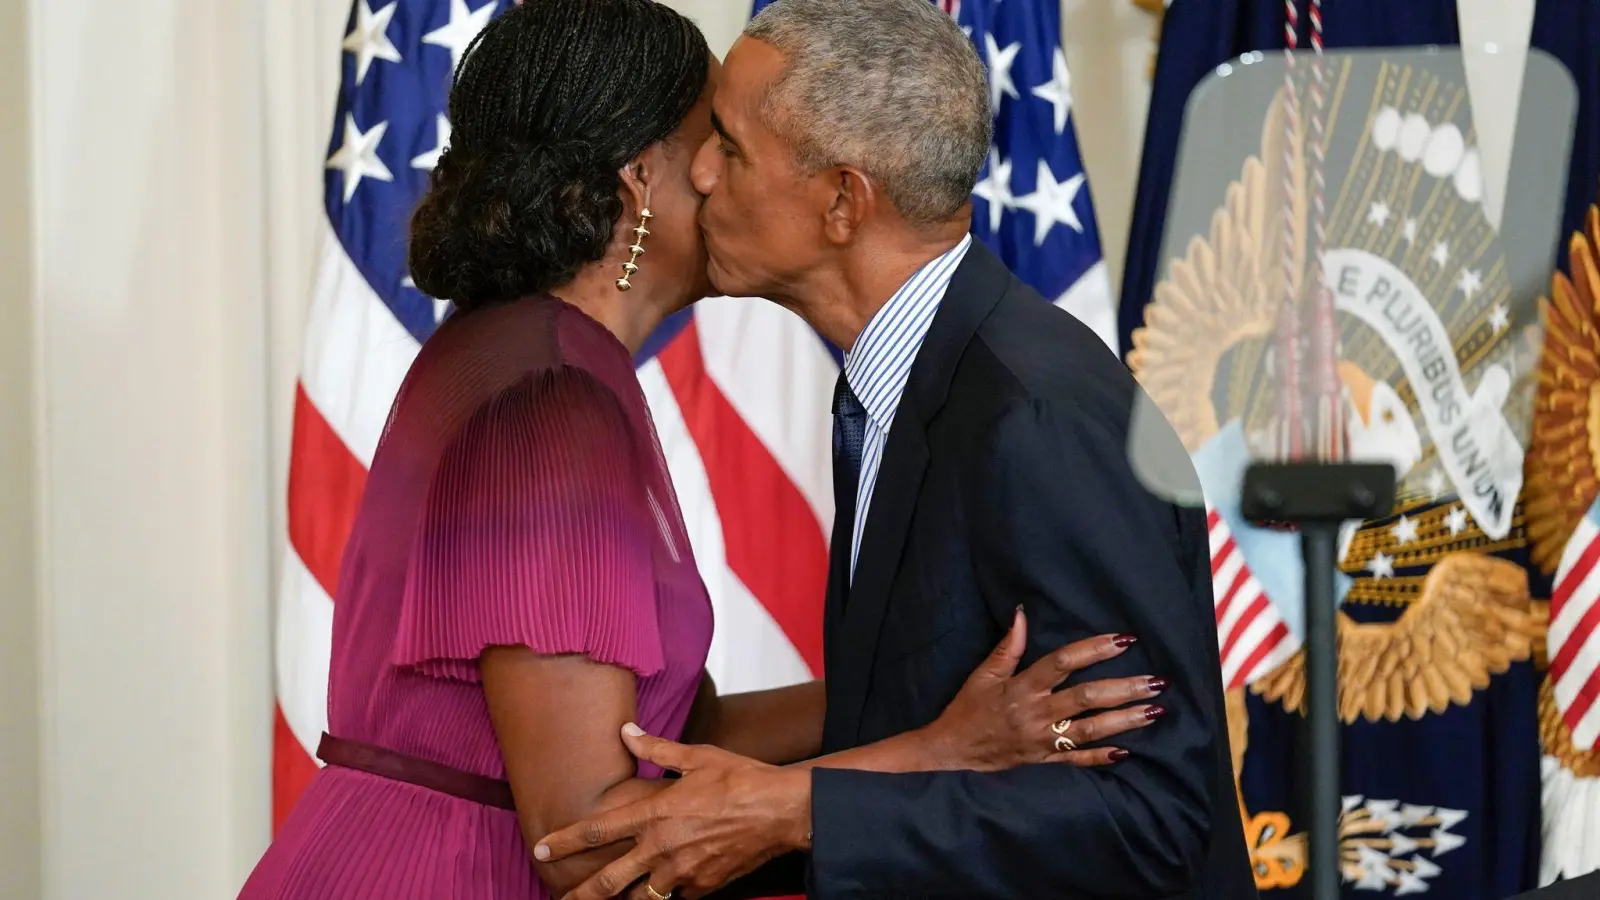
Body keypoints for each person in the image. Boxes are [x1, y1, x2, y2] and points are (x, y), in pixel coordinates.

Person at [237, 2, 1172, 898]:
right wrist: (941, 752)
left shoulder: (540, 357)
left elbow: (680, 730)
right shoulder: (550, 404)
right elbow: (587, 839)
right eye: (717, 143)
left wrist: (931, 693)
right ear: (641, 178)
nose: (730, 177)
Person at [532, 0, 1257, 898]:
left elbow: (1150, 815)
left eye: (728, 142)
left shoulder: (1034, 418)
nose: (702, 177)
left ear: (842, 200)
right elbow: (919, 725)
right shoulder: (909, 381)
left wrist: (796, 810)